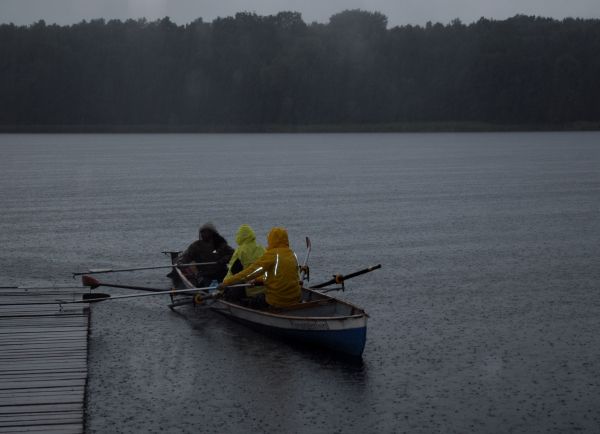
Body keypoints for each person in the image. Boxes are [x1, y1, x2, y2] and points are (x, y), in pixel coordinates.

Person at [219, 227, 301, 309]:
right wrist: (257, 280)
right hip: (295, 298)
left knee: (251, 303)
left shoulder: (271, 255)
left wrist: (226, 283)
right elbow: (279, 276)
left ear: (271, 239)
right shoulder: (292, 254)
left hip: (277, 300)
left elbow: (249, 273)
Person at [177, 222, 234, 287]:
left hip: (221, 272)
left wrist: (224, 259)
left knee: (229, 283)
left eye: (206, 232)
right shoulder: (196, 246)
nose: (203, 234)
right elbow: (186, 256)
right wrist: (181, 263)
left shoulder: (220, 244)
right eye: (202, 232)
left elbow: (233, 254)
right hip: (205, 274)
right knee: (206, 284)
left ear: (212, 233)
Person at [222, 224, 266, 302]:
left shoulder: (240, 251)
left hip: (249, 289)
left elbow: (232, 273)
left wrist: (222, 287)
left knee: (230, 291)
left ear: (239, 237)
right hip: (264, 287)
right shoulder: (261, 248)